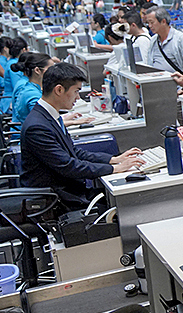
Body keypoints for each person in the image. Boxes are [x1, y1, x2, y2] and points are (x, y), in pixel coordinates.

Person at [20, 63, 143, 208]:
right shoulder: (37, 127)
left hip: (67, 190)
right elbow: (68, 166)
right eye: (76, 91)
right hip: (55, 200)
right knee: (125, 204)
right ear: (59, 90)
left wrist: (113, 160)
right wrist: (116, 169)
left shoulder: (49, 116)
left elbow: (74, 152)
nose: (78, 97)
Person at [144, 6, 183, 75]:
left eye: (152, 22)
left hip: (178, 84)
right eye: (148, 23)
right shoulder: (153, 40)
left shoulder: (181, 40)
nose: (149, 26)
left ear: (163, 21)